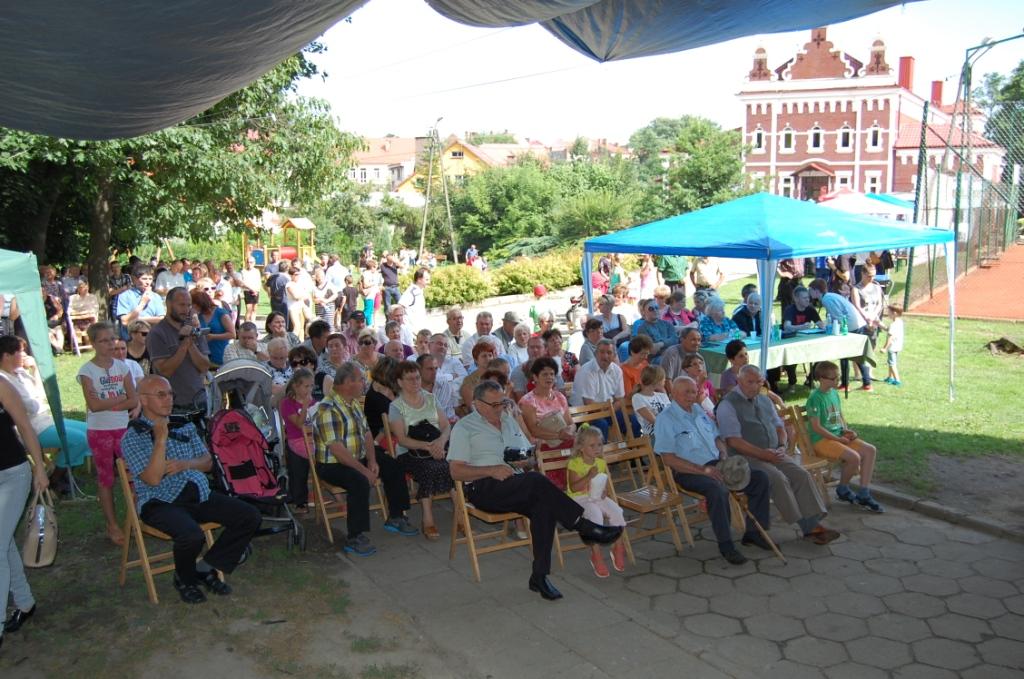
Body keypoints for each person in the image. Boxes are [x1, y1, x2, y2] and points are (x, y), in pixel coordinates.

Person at [448, 380, 623, 600]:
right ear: (477, 404)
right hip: (483, 487)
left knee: (543, 506)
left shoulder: (508, 421)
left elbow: (529, 455)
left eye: (502, 402)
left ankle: (539, 576)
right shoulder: (464, 427)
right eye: (494, 404)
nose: (500, 408)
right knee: (536, 481)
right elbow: (455, 471)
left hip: (516, 483)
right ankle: (582, 524)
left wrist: (525, 461)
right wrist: (491, 470)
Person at [122, 375, 261, 604]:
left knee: (250, 516)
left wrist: (186, 464)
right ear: (143, 400)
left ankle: (206, 567)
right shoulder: (133, 436)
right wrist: (160, 440)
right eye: (161, 395)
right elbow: (153, 479)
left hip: (196, 493)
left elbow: (208, 462)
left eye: (170, 394)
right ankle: (185, 580)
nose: (168, 399)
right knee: (191, 535)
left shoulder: (184, 425)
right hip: (159, 501)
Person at [653, 376, 772, 565]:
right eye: (686, 392)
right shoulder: (665, 419)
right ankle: (726, 545)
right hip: (688, 471)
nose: (691, 396)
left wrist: (723, 455)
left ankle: (754, 533)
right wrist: (703, 470)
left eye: (694, 392)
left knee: (759, 478)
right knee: (717, 490)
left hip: (716, 463)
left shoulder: (698, 410)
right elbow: (668, 458)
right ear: (673, 394)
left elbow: (717, 438)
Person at [719, 365, 840, 544]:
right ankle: (809, 526)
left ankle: (813, 523)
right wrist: (763, 454)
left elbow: (779, 427)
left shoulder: (765, 400)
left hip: (774, 452)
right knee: (778, 478)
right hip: (746, 458)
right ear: (739, 381)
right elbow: (733, 441)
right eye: (749, 382)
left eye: (758, 382)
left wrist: (782, 445)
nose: (754, 386)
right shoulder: (728, 405)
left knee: (801, 475)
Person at [313, 362, 418, 556]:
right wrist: (364, 471)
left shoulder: (352, 402)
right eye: (361, 379)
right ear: (348, 382)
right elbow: (338, 451)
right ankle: (355, 536)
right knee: (359, 481)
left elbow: (367, 434)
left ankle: (396, 516)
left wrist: (372, 461)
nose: (364, 383)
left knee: (394, 466)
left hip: (357, 455)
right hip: (332, 464)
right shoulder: (328, 408)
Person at [77, 322, 138, 545]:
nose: (110, 344)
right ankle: (112, 524)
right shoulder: (87, 371)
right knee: (106, 477)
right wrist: (120, 399)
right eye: (104, 341)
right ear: (93, 343)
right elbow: (93, 405)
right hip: (99, 430)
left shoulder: (122, 368)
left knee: (132, 474)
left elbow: (133, 399)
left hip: (122, 427)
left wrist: (111, 403)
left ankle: (135, 519)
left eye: (112, 339)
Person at [0, 372, 49, 647]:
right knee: (3, 543)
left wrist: (40, 467)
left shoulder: (1, 384)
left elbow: (25, 426)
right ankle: (25, 601)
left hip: (12, 474)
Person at [0, 335, 91, 470]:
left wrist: (35, 369)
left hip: (46, 420)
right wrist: (37, 400)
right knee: (80, 439)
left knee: (91, 430)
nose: (25, 355)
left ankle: (64, 470)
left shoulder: (20, 373)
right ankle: (57, 474)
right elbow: (33, 408)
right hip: (33, 428)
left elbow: (42, 395)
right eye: (20, 351)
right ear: (7, 356)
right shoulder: (4, 381)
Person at [806, 362, 884, 512]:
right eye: (833, 378)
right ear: (821, 379)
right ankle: (843, 489)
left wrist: (846, 430)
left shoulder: (834, 393)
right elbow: (816, 428)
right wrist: (838, 439)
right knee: (854, 457)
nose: (837, 381)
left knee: (870, 450)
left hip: (837, 436)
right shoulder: (815, 398)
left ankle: (864, 492)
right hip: (821, 440)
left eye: (838, 377)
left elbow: (840, 416)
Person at [390, 360, 454, 540]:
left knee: (454, 465)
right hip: (410, 452)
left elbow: (446, 426)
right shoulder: (396, 406)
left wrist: (440, 442)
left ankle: (460, 515)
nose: (415, 382)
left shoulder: (431, 398)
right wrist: (429, 447)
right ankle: (428, 518)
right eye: (410, 379)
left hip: (437, 447)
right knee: (430, 468)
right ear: (400, 382)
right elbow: (402, 440)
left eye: (417, 378)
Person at [566, 426, 628, 577]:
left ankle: (618, 546)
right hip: (579, 498)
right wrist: (588, 476)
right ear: (581, 447)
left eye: (599, 444)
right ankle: (596, 554)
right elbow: (574, 488)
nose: (597, 448)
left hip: (596, 495)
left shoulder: (600, 462)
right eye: (592, 445)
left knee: (617, 511)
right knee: (595, 515)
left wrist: (604, 490)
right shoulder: (575, 463)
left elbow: (602, 482)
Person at [147, 287, 211, 414]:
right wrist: (184, 345)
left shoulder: (194, 330)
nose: (186, 309)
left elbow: (204, 367)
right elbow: (165, 371)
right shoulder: (157, 333)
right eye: (181, 305)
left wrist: (190, 343)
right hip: (172, 405)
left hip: (199, 400)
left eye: (189, 305)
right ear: (168, 304)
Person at [808, 278, 873, 391]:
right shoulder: (829, 296)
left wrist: (829, 327)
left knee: (846, 355)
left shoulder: (827, 299)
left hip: (851, 326)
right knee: (857, 355)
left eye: (810, 290)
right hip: (856, 324)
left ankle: (846, 384)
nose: (809, 293)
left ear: (816, 291)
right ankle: (865, 383)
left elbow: (837, 317)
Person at [570, 340, 626, 441]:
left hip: (608, 410)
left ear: (614, 356)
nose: (605, 356)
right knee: (601, 425)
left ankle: (633, 450)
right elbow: (589, 404)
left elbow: (620, 399)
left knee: (632, 420)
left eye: (609, 352)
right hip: (584, 413)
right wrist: (608, 410)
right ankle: (601, 451)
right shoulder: (587, 371)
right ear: (595, 354)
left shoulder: (617, 371)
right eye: (602, 352)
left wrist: (610, 410)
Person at [519, 357, 575, 447]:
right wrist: (559, 435)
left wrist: (569, 431)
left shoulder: (560, 397)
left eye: (552, 374)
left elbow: (570, 423)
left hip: (565, 443)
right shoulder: (527, 401)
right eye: (545, 374)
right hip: (542, 447)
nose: (549, 377)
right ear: (535, 377)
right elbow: (534, 431)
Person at [280, 369, 315, 512]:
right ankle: (299, 500)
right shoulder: (287, 404)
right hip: (296, 439)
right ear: (295, 386)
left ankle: (323, 490)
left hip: (312, 439)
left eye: (311, 386)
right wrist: (305, 406)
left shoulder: (314, 402)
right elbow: (299, 425)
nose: (309, 389)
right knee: (299, 465)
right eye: (306, 386)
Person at [190, 287, 234, 367]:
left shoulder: (221, 313)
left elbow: (232, 334)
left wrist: (212, 336)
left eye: (195, 306)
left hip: (220, 353)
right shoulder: (198, 315)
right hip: (204, 355)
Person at [116, 264, 166, 331]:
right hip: (130, 335)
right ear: (135, 279)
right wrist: (142, 303)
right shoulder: (125, 296)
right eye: (144, 279)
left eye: (150, 279)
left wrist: (137, 319)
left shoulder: (156, 297)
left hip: (151, 334)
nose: (148, 282)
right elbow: (124, 321)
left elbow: (161, 319)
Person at [459, 339, 500, 417]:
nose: (488, 359)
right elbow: (472, 409)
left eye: (490, 355)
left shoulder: (498, 376)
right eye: (484, 356)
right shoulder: (469, 381)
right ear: (476, 359)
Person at [631, 365, 670, 439]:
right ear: (656, 381)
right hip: (653, 434)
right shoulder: (638, 398)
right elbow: (654, 421)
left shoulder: (662, 396)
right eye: (663, 378)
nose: (665, 380)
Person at [417, 354, 457, 423]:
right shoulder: (412, 390)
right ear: (419, 370)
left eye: (436, 368)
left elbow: (456, 407)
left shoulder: (445, 384)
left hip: (451, 423)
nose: (434, 372)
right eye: (430, 369)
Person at [880, 305, 904, 386]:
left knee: (892, 364)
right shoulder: (900, 322)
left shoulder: (893, 324)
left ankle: (897, 380)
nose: (888, 313)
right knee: (891, 362)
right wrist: (879, 323)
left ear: (894, 313)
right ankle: (890, 378)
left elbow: (890, 338)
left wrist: (884, 348)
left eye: (889, 312)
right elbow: (888, 329)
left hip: (892, 347)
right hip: (898, 346)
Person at [265, 260, 290, 326]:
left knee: (275, 316)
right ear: (287, 268)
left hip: (274, 298)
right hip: (284, 298)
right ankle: (284, 329)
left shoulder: (272, 276)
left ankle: (275, 328)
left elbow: (266, 285)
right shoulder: (287, 277)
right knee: (284, 317)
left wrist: (269, 293)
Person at [239, 256, 262, 323]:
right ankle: (246, 324)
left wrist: (257, 291)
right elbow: (243, 283)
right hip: (248, 291)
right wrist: (251, 289)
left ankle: (253, 324)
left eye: (251, 262)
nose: (249, 264)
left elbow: (258, 282)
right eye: (248, 262)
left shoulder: (257, 271)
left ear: (254, 263)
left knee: (254, 309)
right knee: (249, 309)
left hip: (256, 291)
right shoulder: (243, 271)